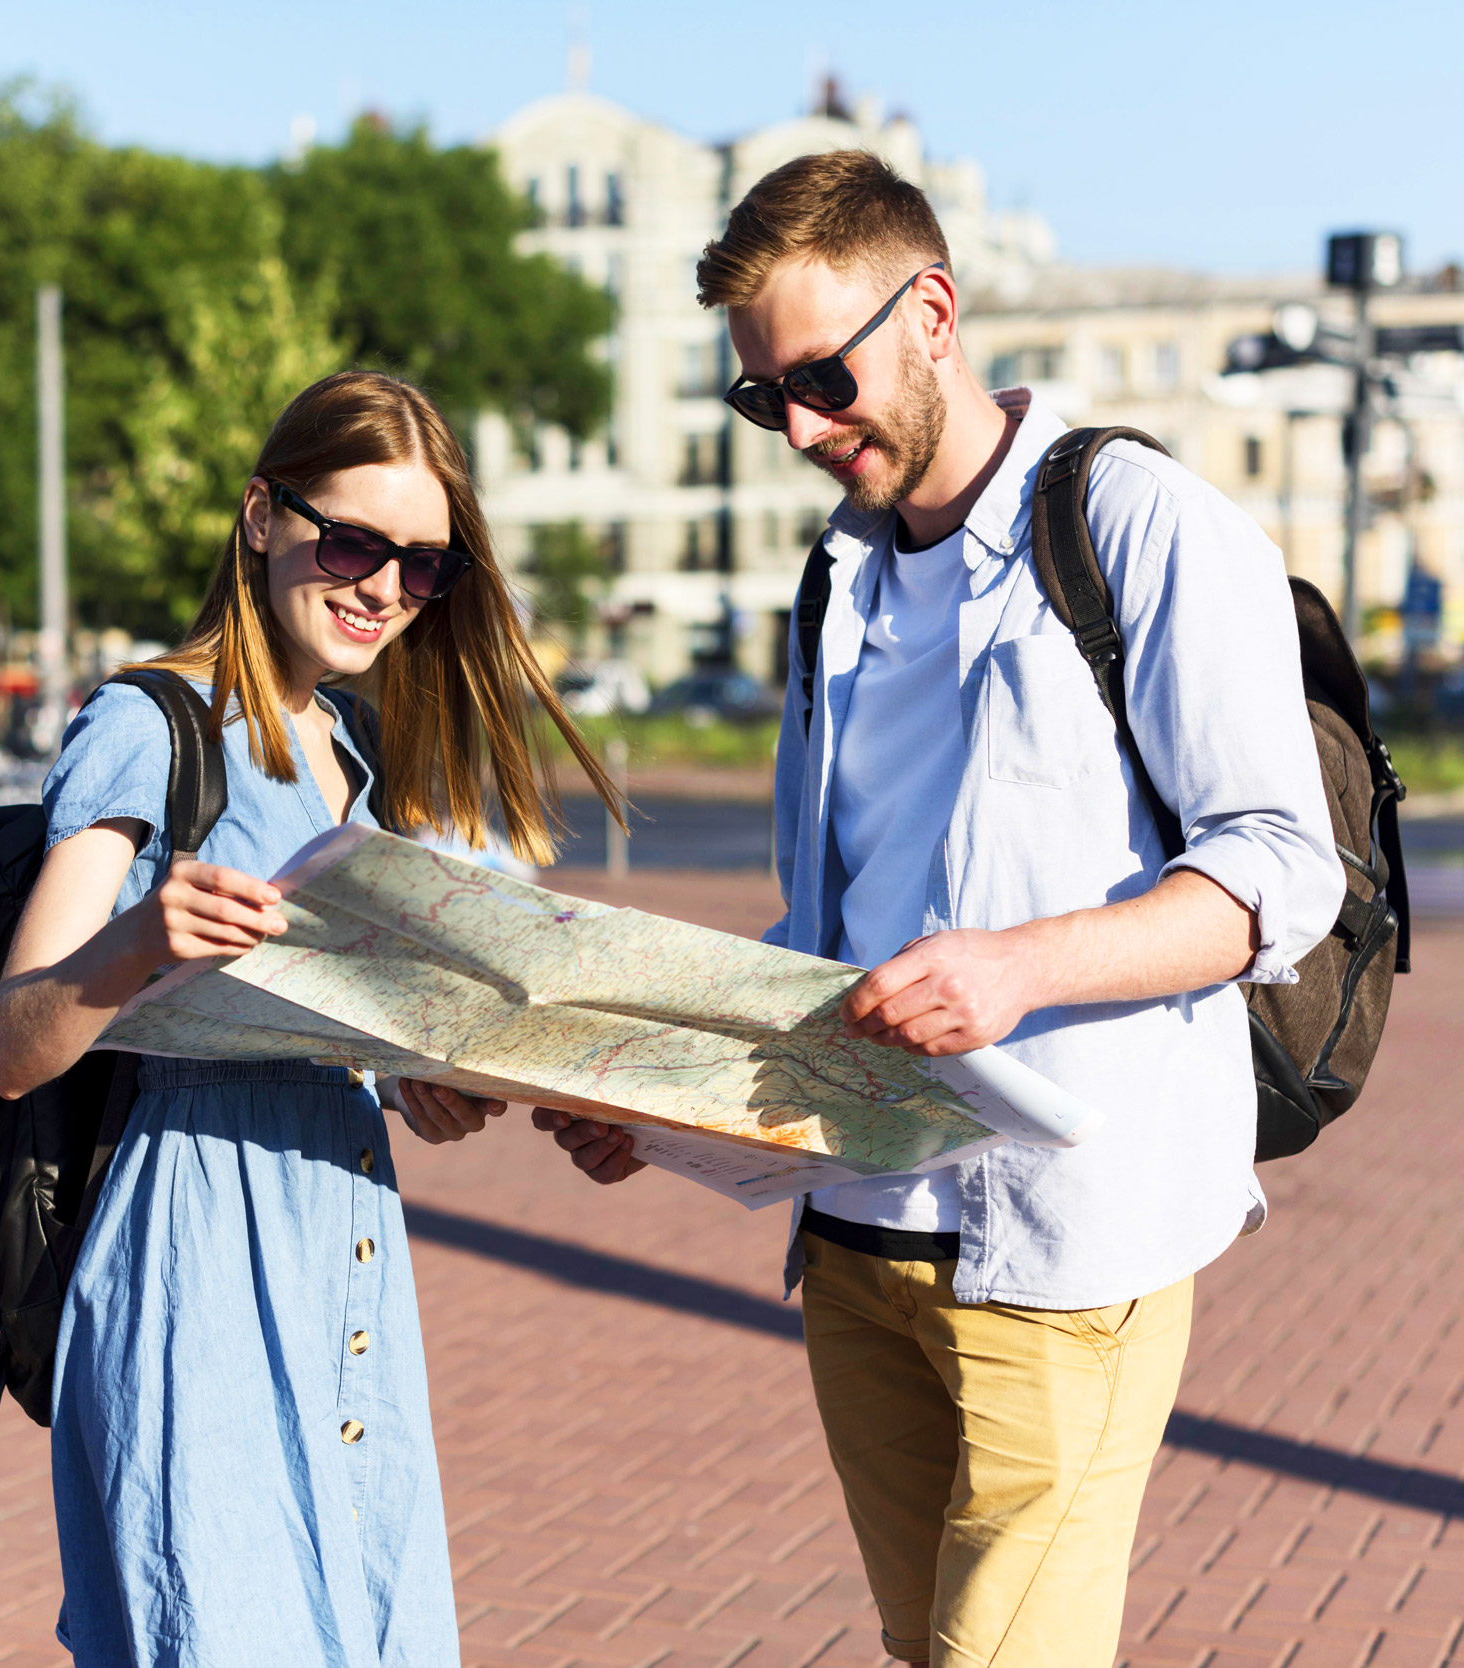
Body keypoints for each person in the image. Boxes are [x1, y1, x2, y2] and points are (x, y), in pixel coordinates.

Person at [534, 151, 1346, 1666]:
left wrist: (1020, 970)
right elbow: (823, 941)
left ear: (935, 314)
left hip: (1062, 1247)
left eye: (823, 379)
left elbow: (1281, 873)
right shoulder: (832, 587)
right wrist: (646, 1103)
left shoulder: (1137, 522)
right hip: (857, 1238)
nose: (800, 427)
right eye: (762, 397)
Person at [0, 369, 621, 1666]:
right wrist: (140, 941)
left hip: (346, 1233)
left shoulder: (360, 753)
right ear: (263, 517)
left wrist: (416, 1083)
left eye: (423, 566)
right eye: (353, 542)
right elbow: (12, 1046)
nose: (384, 586)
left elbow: (333, 1019)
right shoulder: (150, 722)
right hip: (201, 1243)